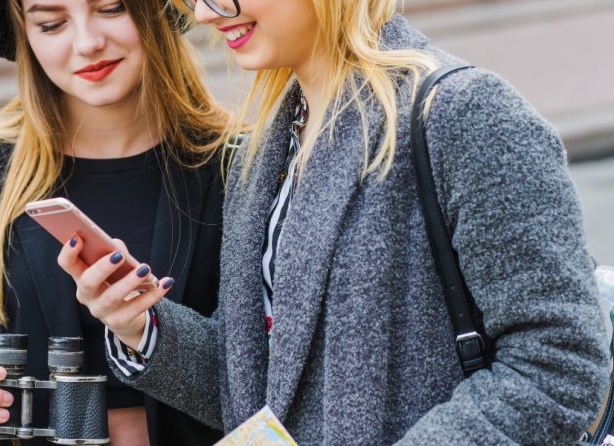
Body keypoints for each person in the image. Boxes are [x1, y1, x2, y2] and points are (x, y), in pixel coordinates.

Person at [58, 0, 611, 444]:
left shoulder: (466, 112)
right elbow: (262, 385)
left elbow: (559, 366)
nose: (204, 14)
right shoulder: (271, 143)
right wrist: (139, 325)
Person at [0, 0, 230, 445]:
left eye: (112, 8)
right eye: (52, 23)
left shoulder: (240, 165)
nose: (87, 44)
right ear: (25, 35)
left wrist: (146, 329)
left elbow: (263, 370)